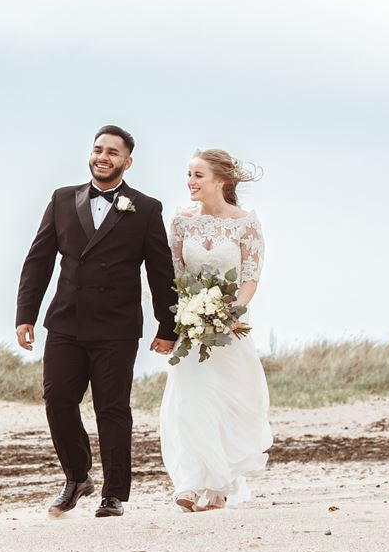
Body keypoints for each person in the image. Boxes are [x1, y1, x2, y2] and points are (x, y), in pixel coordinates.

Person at [14, 125, 179, 518]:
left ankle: (114, 494)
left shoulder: (146, 208)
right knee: (57, 399)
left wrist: (167, 326)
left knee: (112, 409)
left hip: (116, 327)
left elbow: (160, 271)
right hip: (65, 321)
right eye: (98, 149)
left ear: (127, 161)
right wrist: (26, 315)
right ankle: (76, 477)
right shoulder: (62, 199)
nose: (103, 157)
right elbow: (38, 260)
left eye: (112, 152)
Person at [159, 149, 273, 511]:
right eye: (188, 174)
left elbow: (251, 277)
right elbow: (174, 274)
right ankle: (190, 481)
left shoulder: (245, 223)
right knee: (190, 401)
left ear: (220, 181)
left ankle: (220, 484)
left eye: (197, 175)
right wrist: (187, 313)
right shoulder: (181, 222)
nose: (190, 182)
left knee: (226, 401)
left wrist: (231, 311)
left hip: (231, 327)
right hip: (190, 328)